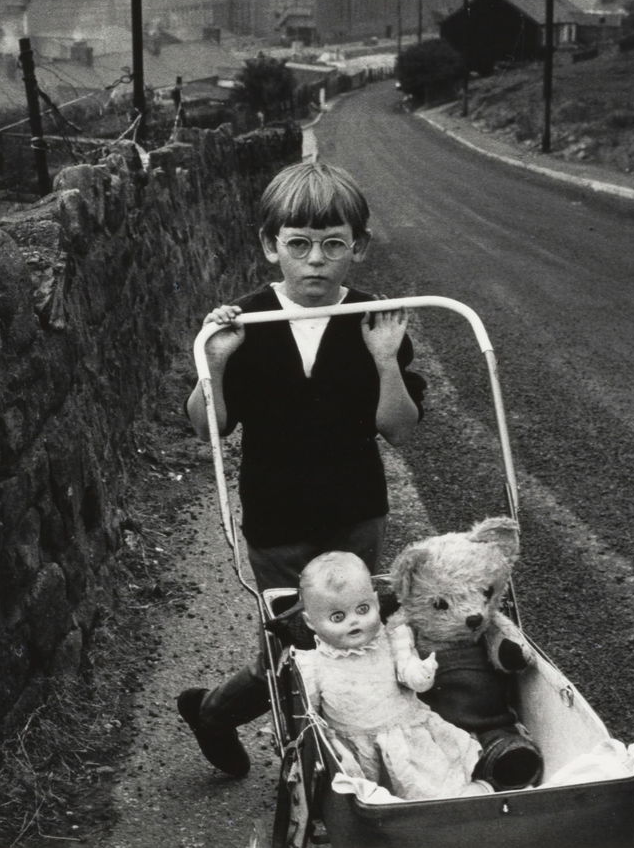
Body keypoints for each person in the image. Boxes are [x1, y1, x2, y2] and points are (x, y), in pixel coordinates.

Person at [176, 160, 426, 777]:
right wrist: (218, 360)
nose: (316, 260)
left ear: (357, 249)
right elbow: (207, 424)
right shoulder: (245, 320)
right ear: (271, 247)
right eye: (299, 245)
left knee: (358, 639)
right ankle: (225, 717)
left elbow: (399, 428)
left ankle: (350, 761)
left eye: (333, 245)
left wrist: (386, 361)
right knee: (293, 644)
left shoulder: (376, 319)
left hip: (355, 512)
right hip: (277, 515)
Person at [293, 552, 486, 800]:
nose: (354, 621)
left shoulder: (393, 638)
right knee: (365, 795)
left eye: (362, 609)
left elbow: (410, 675)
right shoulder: (314, 664)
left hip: (405, 736)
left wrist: (422, 673)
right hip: (356, 745)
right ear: (311, 622)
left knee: (432, 782)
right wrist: (332, 747)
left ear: (375, 600)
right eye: (337, 617)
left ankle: (464, 797)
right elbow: (312, 714)